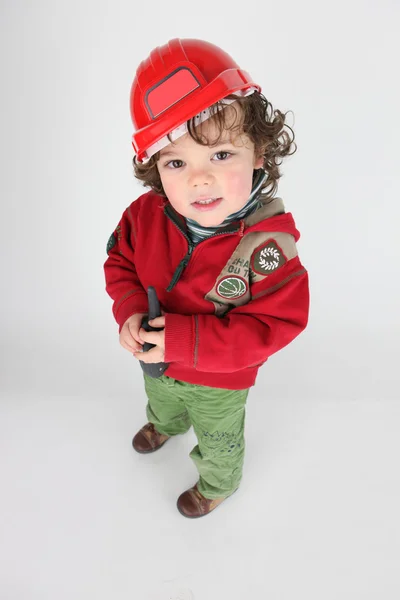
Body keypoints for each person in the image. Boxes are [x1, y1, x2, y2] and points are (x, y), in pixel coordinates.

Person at [103, 38, 309, 519]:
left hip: (219, 382)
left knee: (218, 436)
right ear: (156, 168)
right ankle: (164, 424)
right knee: (160, 398)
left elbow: (274, 328)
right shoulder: (144, 215)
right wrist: (131, 309)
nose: (198, 178)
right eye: (176, 162)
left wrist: (183, 340)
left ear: (258, 152)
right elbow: (119, 262)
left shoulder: (268, 249)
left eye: (219, 155)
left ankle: (219, 482)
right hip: (154, 359)